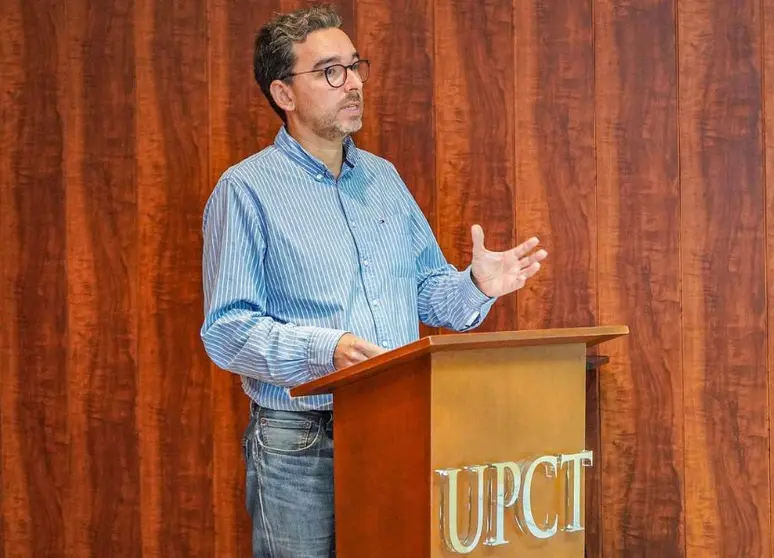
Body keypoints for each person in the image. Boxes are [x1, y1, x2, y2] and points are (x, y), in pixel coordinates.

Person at [200, 4, 547, 557]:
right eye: (331, 71)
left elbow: (429, 292)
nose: (354, 82)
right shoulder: (246, 190)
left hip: (396, 423)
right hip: (300, 442)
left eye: (355, 66)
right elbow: (227, 330)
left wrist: (477, 285)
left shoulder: (384, 179)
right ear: (284, 94)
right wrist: (326, 348)